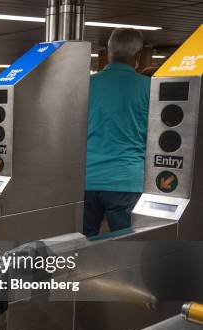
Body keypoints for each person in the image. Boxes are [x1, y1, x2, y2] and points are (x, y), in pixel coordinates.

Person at [84, 28, 151, 237]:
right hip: (126, 180)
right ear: (138, 56)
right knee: (127, 247)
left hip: (86, 178)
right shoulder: (150, 87)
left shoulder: (85, 85)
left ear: (108, 52)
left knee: (82, 245)